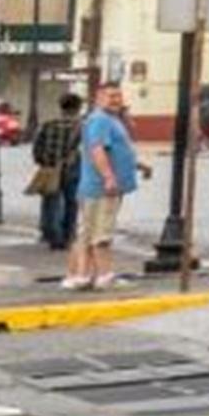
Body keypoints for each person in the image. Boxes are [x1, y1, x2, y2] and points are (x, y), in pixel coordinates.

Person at [66, 82, 145, 291]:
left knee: (89, 231)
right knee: (100, 233)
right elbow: (97, 149)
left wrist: (138, 165)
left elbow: (116, 151)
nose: (116, 100)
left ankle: (81, 275)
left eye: (118, 96)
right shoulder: (100, 119)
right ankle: (103, 275)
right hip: (100, 187)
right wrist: (109, 177)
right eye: (111, 96)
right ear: (98, 98)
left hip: (104, 186)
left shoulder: (110, 119)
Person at [29, 92, 83, 252]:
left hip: (49, 167)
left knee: (51, 202)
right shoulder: (81, 126)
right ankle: (68, 236)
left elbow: (37, 146)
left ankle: (53, 236)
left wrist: (43, 161)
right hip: (72, 168)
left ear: (61, 107)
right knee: (71, 202)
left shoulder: (48, 124)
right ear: (78, 108)